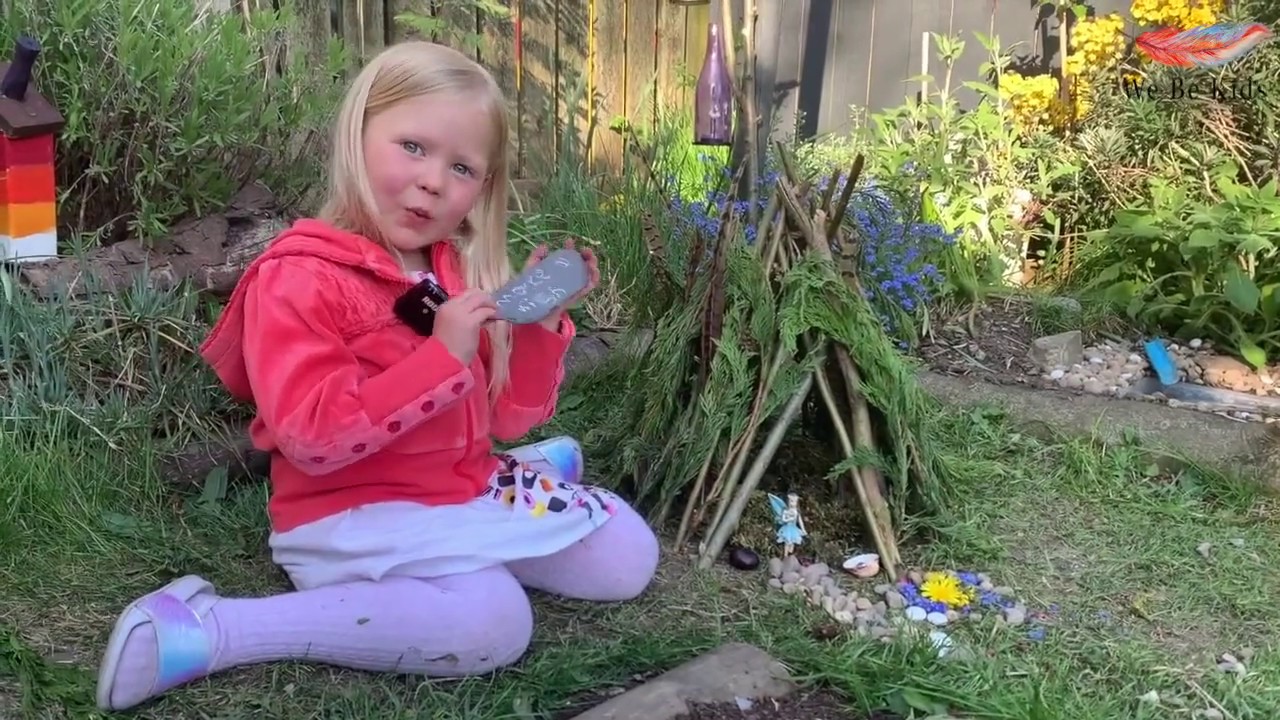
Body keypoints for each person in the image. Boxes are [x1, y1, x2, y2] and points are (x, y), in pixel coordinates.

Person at [93, 41, 660, 712]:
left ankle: (521, 483)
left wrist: (536, 327)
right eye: (412, 147)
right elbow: (313, 436)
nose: (432, 180)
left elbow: (504, 417)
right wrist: (442, 357)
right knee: (492, 623)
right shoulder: (298, 277)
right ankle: (208, 630)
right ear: (357, 135)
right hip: (353, 511)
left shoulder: (453, 267)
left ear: (483, 188)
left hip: (458, 488)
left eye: (462, 167)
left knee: (628, 556)